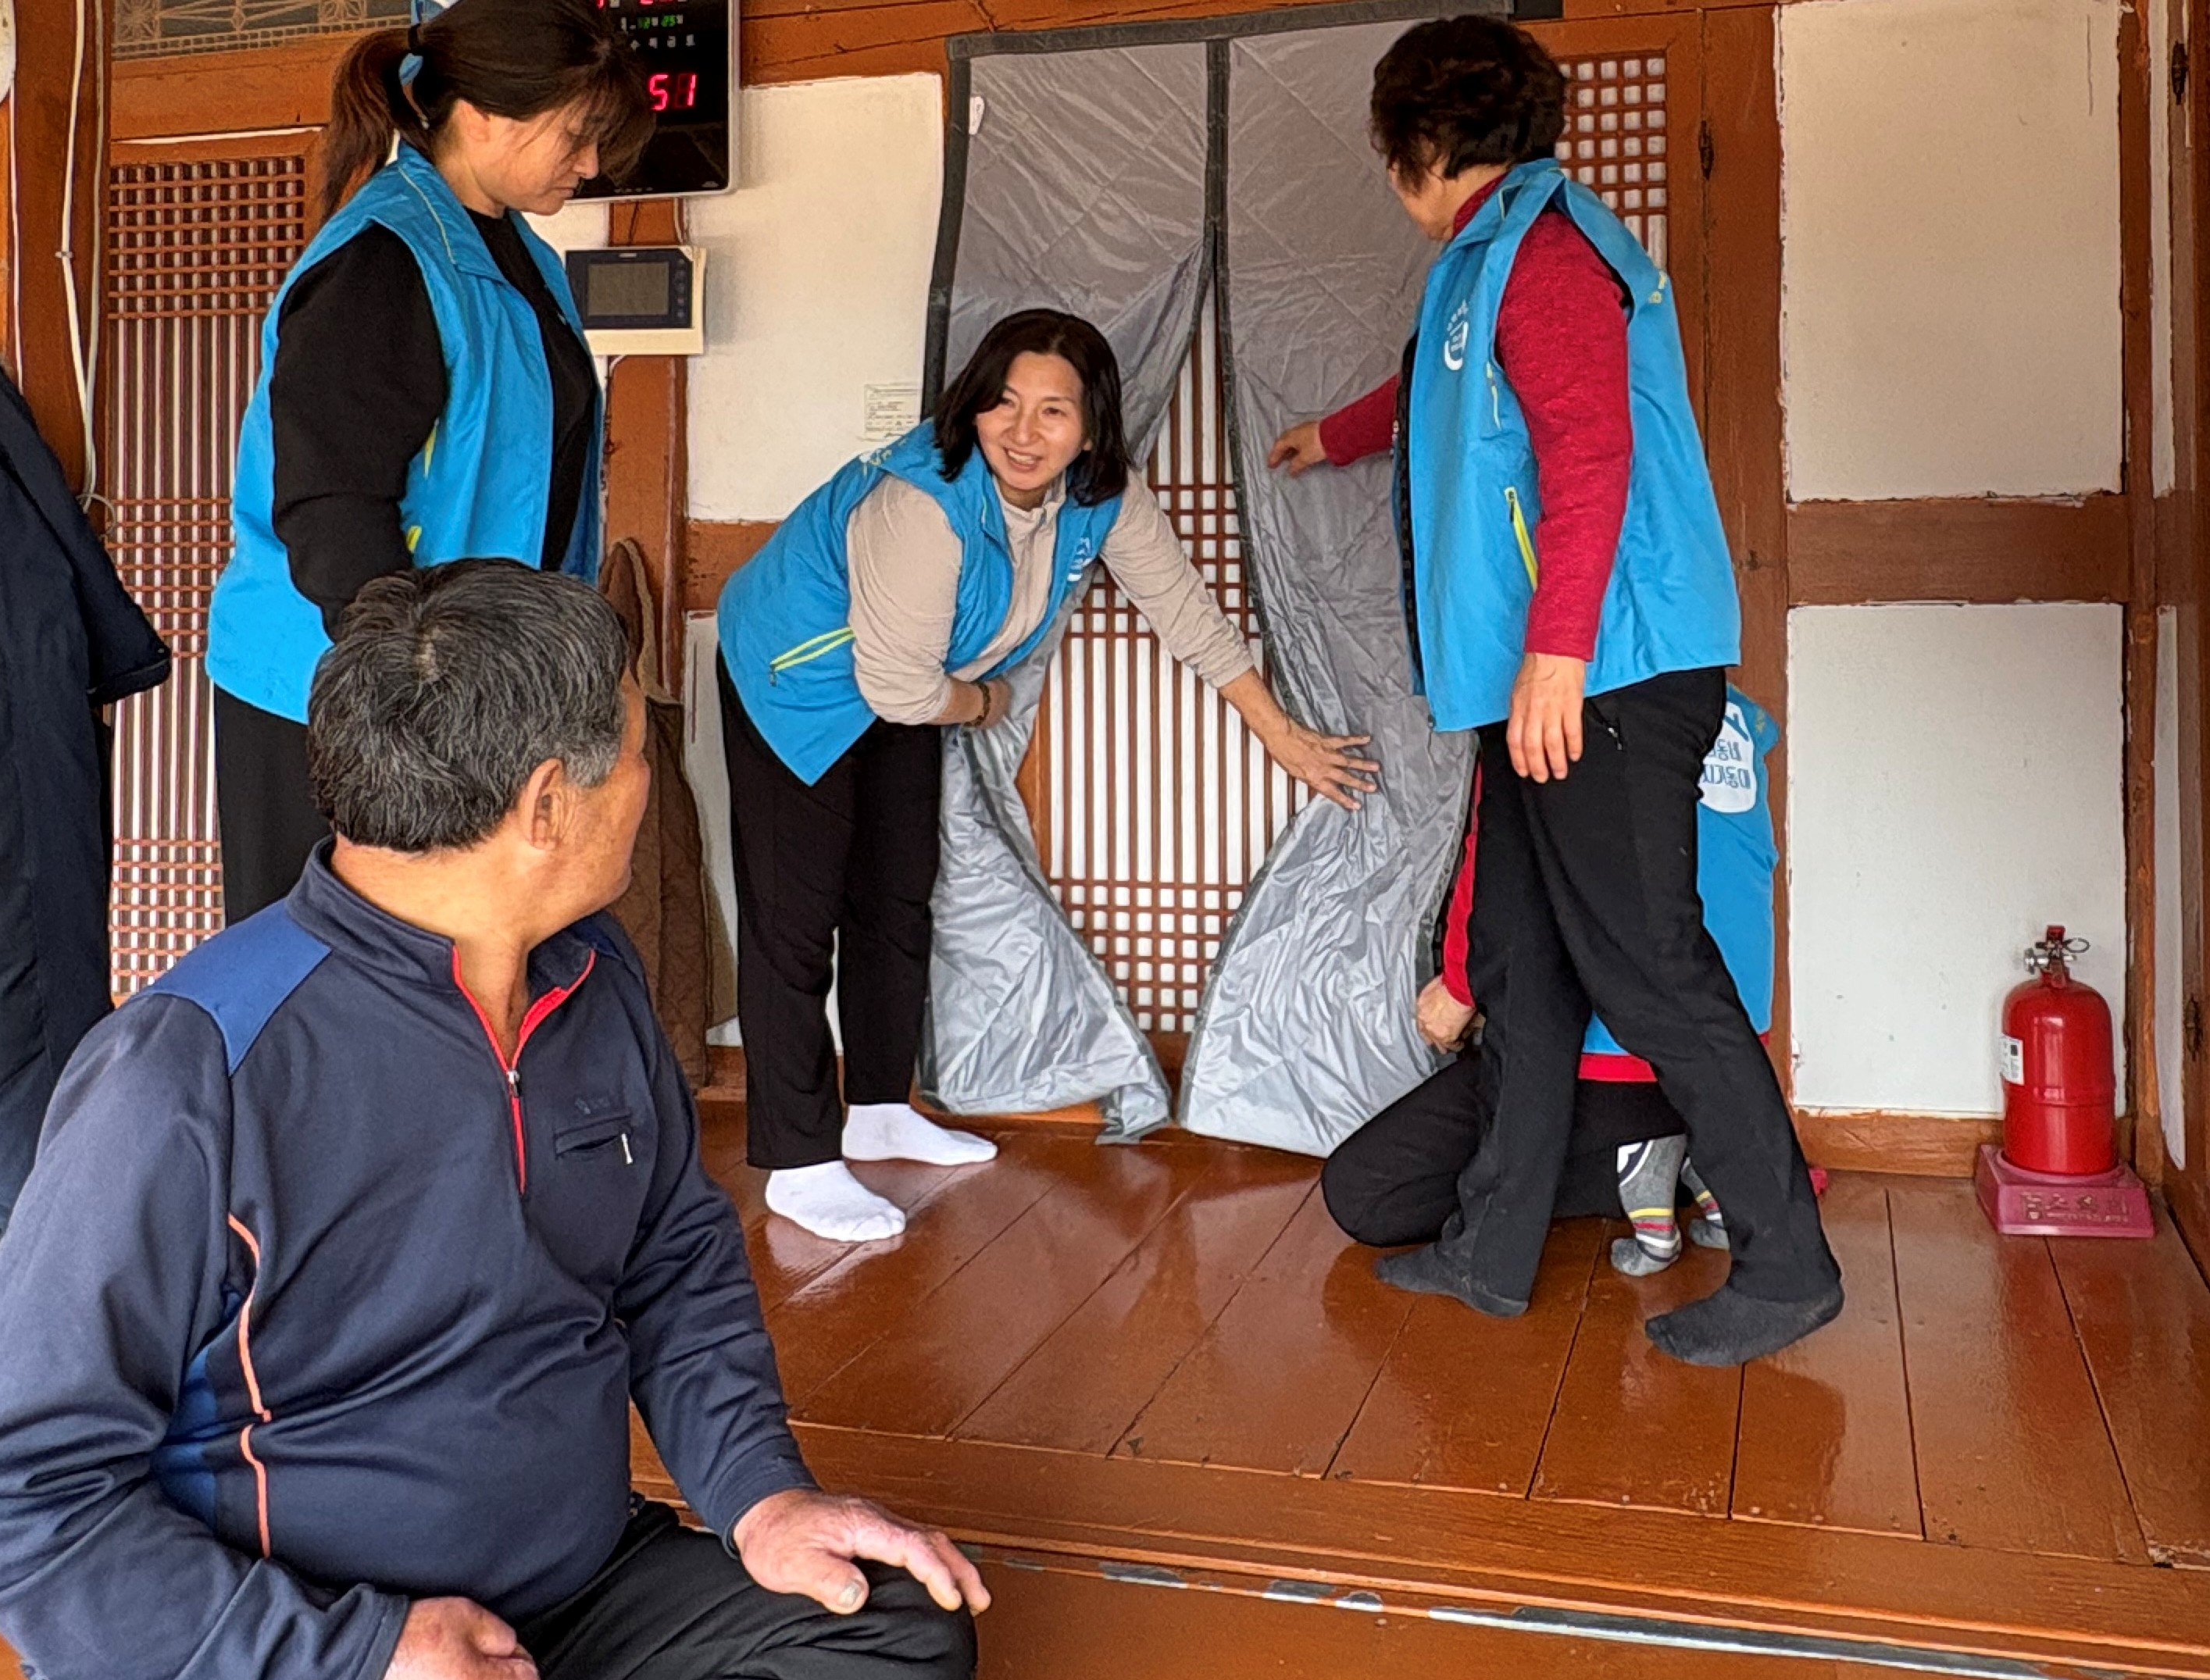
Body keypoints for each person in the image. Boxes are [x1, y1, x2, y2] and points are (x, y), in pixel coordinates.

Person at [0, 562, 983, 1680]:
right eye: (639, 748)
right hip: (302, 1645)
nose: (650, 781)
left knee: (894, 1633)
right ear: (547, 806)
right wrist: (351, 1664)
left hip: (568, 1604)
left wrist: (761, 1495)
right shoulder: (192, 1070)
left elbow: (674, 1260)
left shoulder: (593, 974)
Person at [1271, 18, 1840, 1367]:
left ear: (1412, 148)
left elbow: (1589, 456)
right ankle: (1489, 1247)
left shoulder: (1545, 255)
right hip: (1544, 677)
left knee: (1649, 968)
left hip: (1606, 675)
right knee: (1523, 969)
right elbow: (1442, 397)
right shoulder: (1489, 264)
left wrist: (1558, 654)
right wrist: (1332, 437)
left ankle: (1786, 1263)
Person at [716, 309, 1380, 1244]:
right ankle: (797, 1160)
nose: (1023, 432)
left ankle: (879, 1108)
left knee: (897, 896)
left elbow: (1184, 611)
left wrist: (1282, 736)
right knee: (795, 916)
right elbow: (899, 687)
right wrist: (985, 703)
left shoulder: (1100, 496)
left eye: (1053, 411)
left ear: (1091, 427)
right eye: (1004, 403)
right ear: (971, 408)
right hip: (796, 678)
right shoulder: (926, 502)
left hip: (909, 681)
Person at [205, 0, 652, 923]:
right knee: (336, 967)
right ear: (482, 115)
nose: (590, 165)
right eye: (574, 136)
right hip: (350, 692)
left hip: (463, 683)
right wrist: (414, 698)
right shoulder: (385, 260)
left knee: (451, 959)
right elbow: (332, 513)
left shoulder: (516, 255)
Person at [1324, 687, 1793, 1276]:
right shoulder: (1737, 715)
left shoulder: (1557, 710)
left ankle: (1639, 1161)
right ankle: (1703, 1152)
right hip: (1729, 1058)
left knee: (1365, 1193)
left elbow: (1500, 871)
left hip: (1615, 1060)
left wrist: (1459, 990)